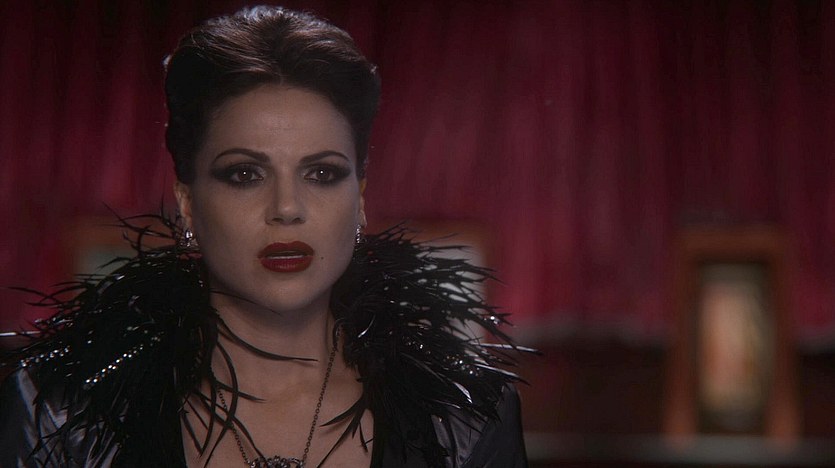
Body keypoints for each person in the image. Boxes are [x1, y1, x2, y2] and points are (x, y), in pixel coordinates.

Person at [0, 5, 528, 467]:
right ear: (187, 201)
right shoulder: (61, 411)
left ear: (361, 196)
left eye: (321, 173)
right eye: (245, 174)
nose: (287, 209)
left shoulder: (464, 419)